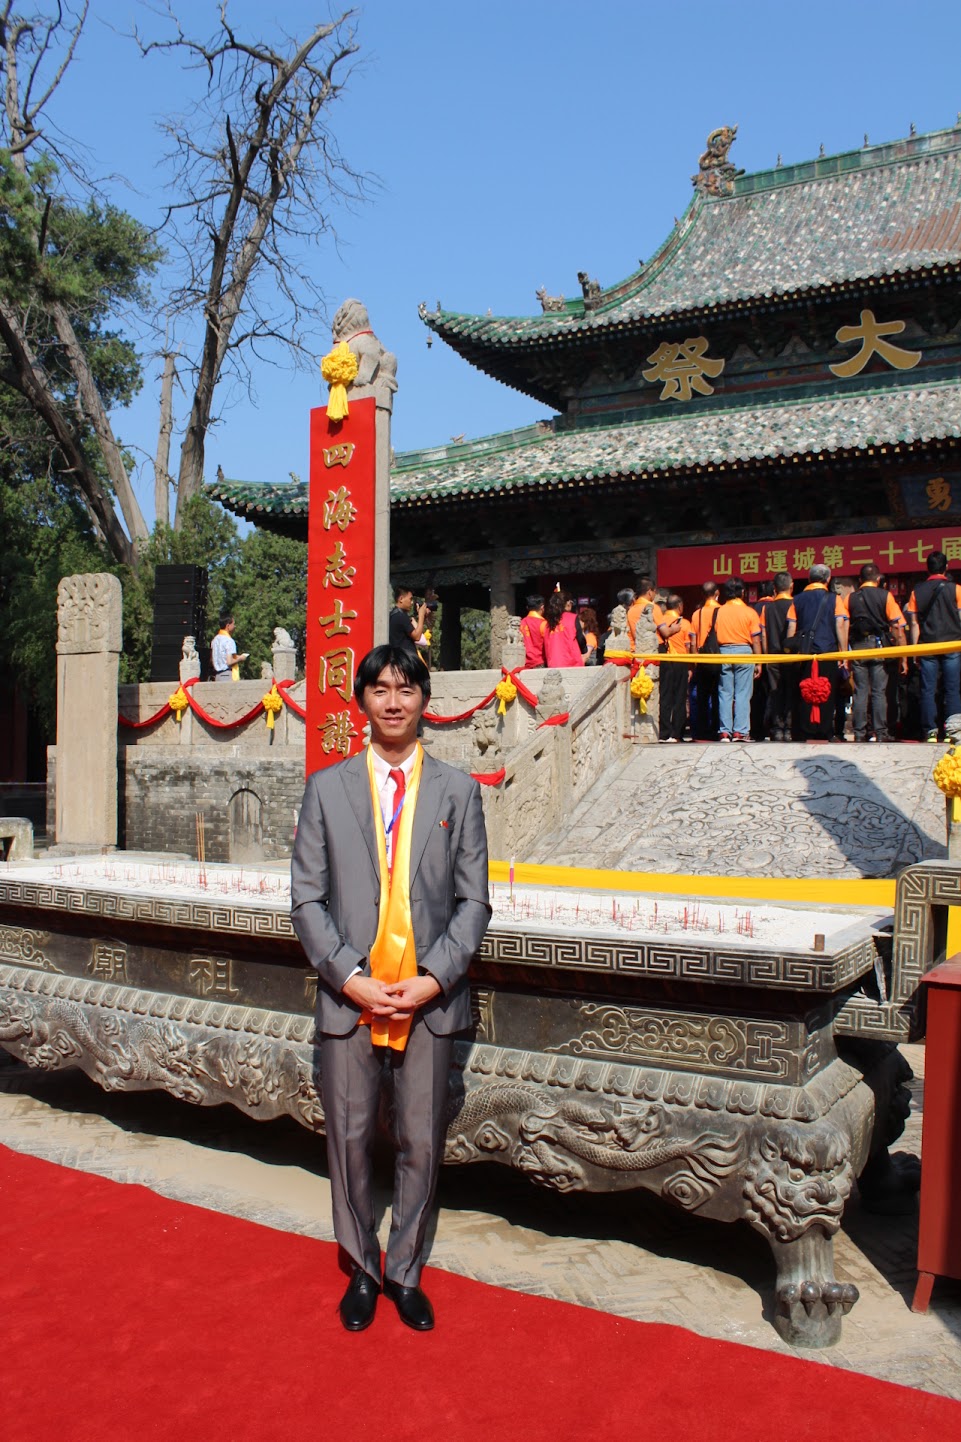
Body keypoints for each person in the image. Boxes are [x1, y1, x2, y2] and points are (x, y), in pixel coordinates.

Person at [290, 646, 491, 1334]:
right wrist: (350, 977)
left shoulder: (457, 793)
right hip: (350, 999)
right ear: (363, 702)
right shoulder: (326, 788)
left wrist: (433, 978)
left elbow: (473, 904)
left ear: (424, 699)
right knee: (347, 1139)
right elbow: (306, 901)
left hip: (426, 1001)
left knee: (418, 1140)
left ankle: (404, 1269)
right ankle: (361, 1267)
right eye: (380, 689)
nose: (394, 701)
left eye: (406, 688)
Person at [785, 564, 848, 740]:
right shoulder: (834, 599)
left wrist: (792, 652)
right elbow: (840, 624)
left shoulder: (796, 600)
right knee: (826, 692)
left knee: (805, 692)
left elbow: (791, 626)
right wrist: (843, 652)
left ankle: (805, 730)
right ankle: (824, 730)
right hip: (827, 652)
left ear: (808, 579)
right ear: (827, 579)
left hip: (804, 653)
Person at [846, 563, 907, 742]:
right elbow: (897, 626)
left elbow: (842, 624)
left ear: (860, 580)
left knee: (860, 691)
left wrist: (844, 652)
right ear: (878, 579)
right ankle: (880, 732)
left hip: (857, 648)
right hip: (879, 646)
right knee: (879, 691)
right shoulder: (885, 596)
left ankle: (859, 732)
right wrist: (902, 656)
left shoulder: (849, 598)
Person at [905, 551, 961, 742]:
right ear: (946, 567)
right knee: (952, 689)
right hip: (953, 644)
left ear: (927, 568)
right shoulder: (956, 589)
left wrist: (914, 651)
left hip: (927, 645)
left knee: (928, 690)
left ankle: (930, 731)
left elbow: (914, 625)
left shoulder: (916, 592)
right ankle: (953, 732)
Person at [715, 578, 762, 741]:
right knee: (743, 693)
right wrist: (759, 661)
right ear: (743, 592)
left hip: (723, 653)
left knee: (725, 693)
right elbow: (756, 639)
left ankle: (724, 731)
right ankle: (740, 732)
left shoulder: (718, 611)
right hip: (744, 652)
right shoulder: (750, 612)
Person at [760, 572, 797, 742]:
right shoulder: (795, 604)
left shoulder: (768, 608)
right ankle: (789, 728)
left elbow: (764, 633)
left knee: (775, 692)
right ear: (791, 586)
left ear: (774, 589)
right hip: (792, 656)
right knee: (790, 691)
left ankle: (777, 729)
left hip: (773, 655)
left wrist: (767, 655)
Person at [656, 594, 693, 742]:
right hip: (680, 661)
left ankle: (664, 732)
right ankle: (677, 733)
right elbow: (688, 645)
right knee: (679, 697)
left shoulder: (661, 621)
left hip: (665, 661)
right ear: (679, 606)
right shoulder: (684, 623)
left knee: (665, 697)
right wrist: (691, 666)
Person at [690, 581, 721, 740]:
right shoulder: (721, 611)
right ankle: (716, 728)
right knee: (717, 694)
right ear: (717, 593)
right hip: (718, 657)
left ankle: (702, 731)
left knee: (702, 696)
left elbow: (693, 641)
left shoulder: (697, 614)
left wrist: (695, 661)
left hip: (702, 657)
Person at [544, 590, 585, 666]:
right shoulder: (573, 618)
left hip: (553, 664)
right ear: (567, 603)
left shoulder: (547, 623)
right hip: (572, 663)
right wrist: (584, 650)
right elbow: (580, 639)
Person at [388, 586, 428, 661]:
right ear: (401, 599)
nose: (412, 602)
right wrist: (421, 615)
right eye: (410, 599)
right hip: (405, 659)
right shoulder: (401, 616)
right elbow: (417, 636)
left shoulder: (393, 614)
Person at [210, 614, 247, 681]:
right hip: (227, 675)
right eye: (233, 624)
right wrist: (240, 658)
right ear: (228, 626)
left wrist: (237, 656)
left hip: (217, 675)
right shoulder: (229, 641)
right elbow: (229, 661)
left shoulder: (215, 640)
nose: (234, 626)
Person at [519, 595, 548, 668]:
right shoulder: (544, 624)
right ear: (542, 607)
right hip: (540, 663)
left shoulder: (521, 623)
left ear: (527, 608)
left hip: (523, 665)